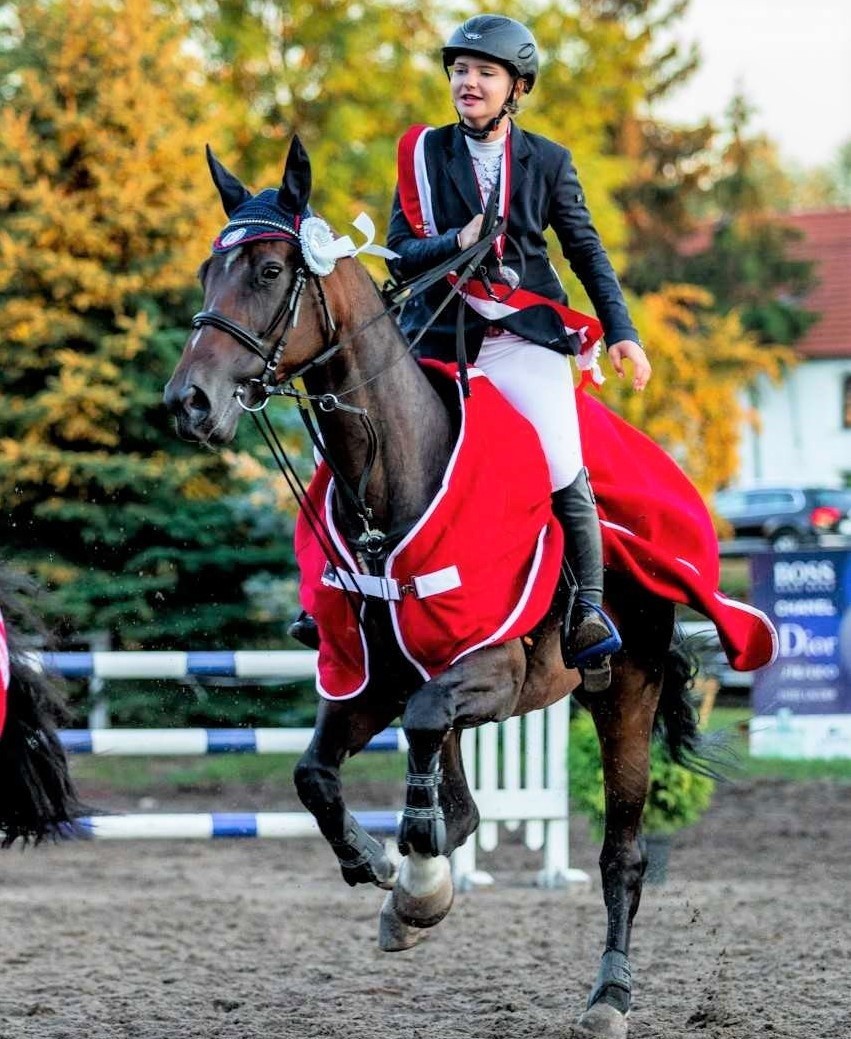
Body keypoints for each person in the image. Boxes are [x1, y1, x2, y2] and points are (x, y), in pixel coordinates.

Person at [385, 13, 652, 691]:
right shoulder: (422, 155)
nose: (466, 83)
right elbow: (398, 256)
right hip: (439, 335)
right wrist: (456, 239)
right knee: (371, 425)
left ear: (515, 88)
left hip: (519, 336)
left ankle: (586, 608)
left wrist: (621, 331)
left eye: (483, 73)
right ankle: (348, 583)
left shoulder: (549, 161)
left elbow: (585, 252)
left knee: (563, 459)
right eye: (458, 70)